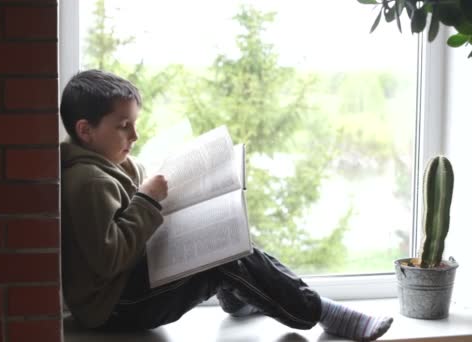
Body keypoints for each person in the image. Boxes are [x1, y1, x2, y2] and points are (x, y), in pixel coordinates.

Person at [60, 69, 393, 341]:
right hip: (114, 308)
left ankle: (241, 299)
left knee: (225, 232)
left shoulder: (112, 163)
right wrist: (148, 199)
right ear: (86, 131)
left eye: (135, 123)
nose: (134, 135)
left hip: (124, 292)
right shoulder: (88, 181)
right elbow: (108, 258)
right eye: (123, 126)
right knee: (222, 256)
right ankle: (320, 312)